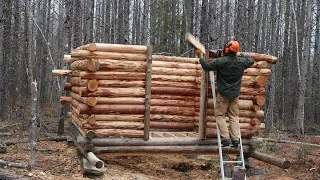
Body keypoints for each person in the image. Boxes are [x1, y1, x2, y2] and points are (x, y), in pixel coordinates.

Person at [196, 40, 254, 148]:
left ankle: (226, 138)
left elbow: (206, 66)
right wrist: (239, 54)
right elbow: (250, 60)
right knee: (234, 116)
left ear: (227, 49)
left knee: (220, 115)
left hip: (223, 94)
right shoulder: (241, 61)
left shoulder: (221, 61)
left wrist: (200, 57)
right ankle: (236, 139)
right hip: (235, 94)